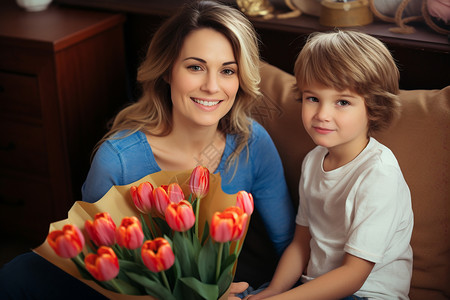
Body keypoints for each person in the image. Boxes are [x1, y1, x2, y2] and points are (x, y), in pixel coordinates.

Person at [0, 1, 294, 299]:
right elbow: (97, 265)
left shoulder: (251, 142)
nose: (211, 86)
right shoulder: (117, 159)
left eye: (227, 71)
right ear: (167, 71)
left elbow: (288, 244)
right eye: (195, 67)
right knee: (18, 274)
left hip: (238, 292)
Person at [247, 31, 414, 299]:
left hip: (366, 294)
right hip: (311, 286)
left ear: (374, 107)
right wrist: (274, 291)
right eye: (313, 98)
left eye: (343, 102)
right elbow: (301, 244)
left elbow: (353, 276)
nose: (322, 115)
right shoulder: (313, 160)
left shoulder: (379, 174)